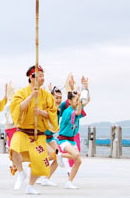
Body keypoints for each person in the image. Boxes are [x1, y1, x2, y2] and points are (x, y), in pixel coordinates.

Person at [9, 65, 58, 195]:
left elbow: (53, 113)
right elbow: (17, 108)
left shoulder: (47, 95)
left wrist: (42, 113)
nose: (42, 78)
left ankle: (30, 186)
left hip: (38, 134)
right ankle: (20, 172)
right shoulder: (21, 92)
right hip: (23, 131)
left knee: (42, 161)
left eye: (43, 76)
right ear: (32, 77)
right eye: (39, 76)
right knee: (14, 149)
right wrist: (31, 96)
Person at [57, 90, 86, 189]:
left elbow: (85, 103)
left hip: (71, 140)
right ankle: (60, 155)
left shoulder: (75, 111)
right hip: (63, 139)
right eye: (75, 100)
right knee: (76, 154)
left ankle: (69, 182)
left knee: (78, 161)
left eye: (78, 100)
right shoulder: (68, 112)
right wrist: (80, 99)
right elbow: (78, 111)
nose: (77, 102)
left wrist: (85, 89)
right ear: (69, 101)